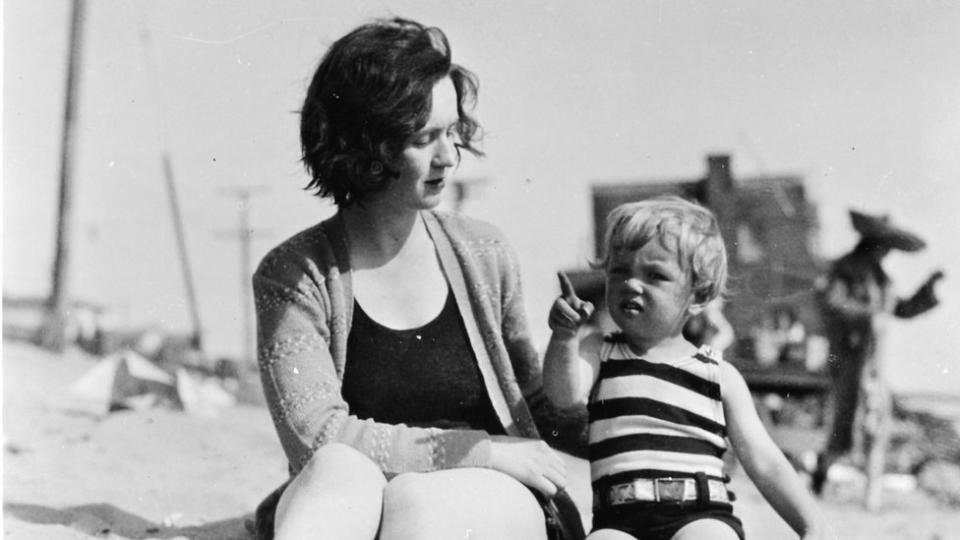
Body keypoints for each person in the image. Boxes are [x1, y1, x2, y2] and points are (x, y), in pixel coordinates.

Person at [250, 17, 585, 540]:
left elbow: (539, 411)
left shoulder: (485, 252)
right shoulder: (294, 275)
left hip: (491, 500)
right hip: (366, 504)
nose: (449, 156)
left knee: (417, 501)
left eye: (452, 132)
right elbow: (316, 438)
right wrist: (474, 449)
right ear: (365, 145)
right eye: (424, 136)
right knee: (339, 467)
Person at [543, 196, 826, 539]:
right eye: (619, 271)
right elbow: (562, 394)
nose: (632, 283)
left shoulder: (717, 375)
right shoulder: (599, 351)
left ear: (698, 295)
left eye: (655, 275)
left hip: (700, 513)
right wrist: (563, 338)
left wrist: (812, 525)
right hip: (619, 521)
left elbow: (765, 461)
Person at [812, 210, 943, 503]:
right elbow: (830, 304)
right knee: (845, 424)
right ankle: (823, 474)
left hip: (874, 366)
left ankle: (872, 500)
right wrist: (865, 318)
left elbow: (902, 309)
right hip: (848, 362)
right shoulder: (843, 270)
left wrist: (928, 289)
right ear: (873, 243)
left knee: (877, 427)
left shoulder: (882, 279)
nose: (888, 253)